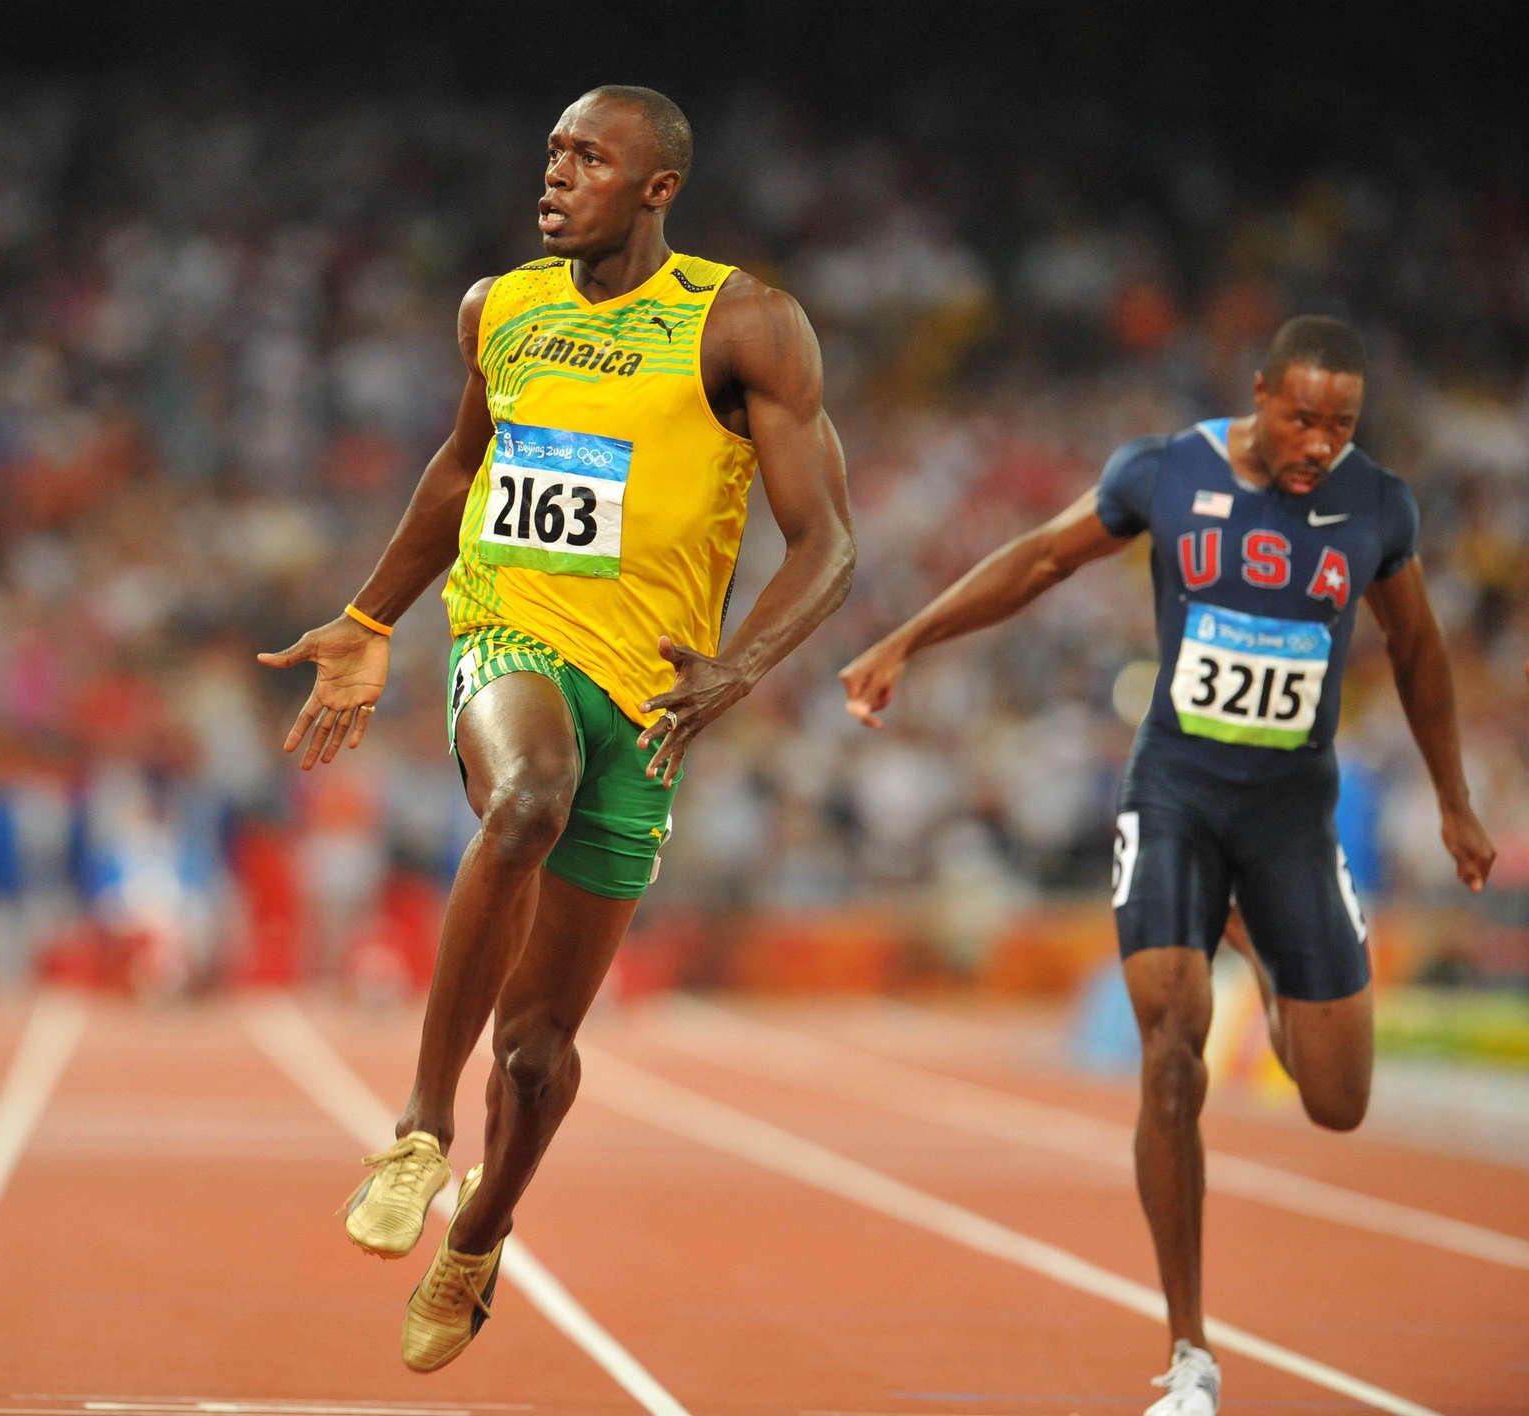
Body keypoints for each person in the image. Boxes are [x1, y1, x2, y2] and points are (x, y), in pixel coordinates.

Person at [262, 86, 854, 1372]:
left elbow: (826, 541)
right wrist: (368, 617)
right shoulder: (500, 308)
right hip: (510, 631)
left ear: (657, 188)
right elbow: (460, 468)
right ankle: (420, 1132)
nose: (556, 174)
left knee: (536, 1054)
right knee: (527, 794)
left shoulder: (743, 324)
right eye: (552, 153)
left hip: (647, 691)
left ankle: (481, 1232)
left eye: (589, 157)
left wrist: (740, 667)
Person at [838, 315, 1494, 1416]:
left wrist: (1455, 802)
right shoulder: (1164, 471)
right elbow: (1039, 559)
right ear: (1259, 393)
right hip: (1175, 796)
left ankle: (1263, 952)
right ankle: (1190, 1350)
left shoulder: (1377, 504)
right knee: (1173, 1049)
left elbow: (1419, 650)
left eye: (1341, 425)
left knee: (1337, 1102)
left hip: (1290, 815)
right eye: (1302, 418)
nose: (1319, 443)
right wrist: (906, 638)